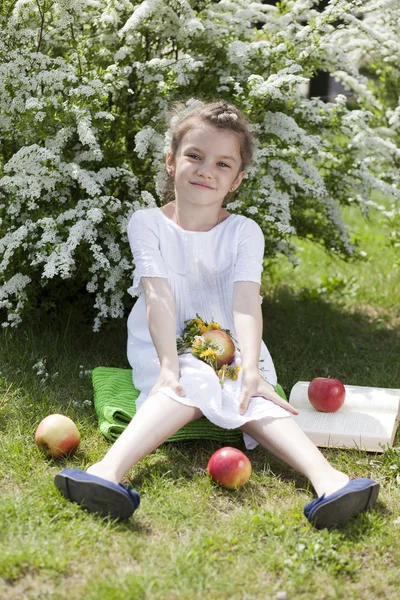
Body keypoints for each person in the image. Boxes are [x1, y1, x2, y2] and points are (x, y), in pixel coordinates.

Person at [54, 100, 380, 528]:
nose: (207, 169)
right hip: (166, 340)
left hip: (234, 338)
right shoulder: (147, 223)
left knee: (251, 390)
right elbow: (158, 297)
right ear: (172, 162)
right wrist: (168, 367)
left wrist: (250, 368)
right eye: (195, 156)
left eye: (223, 163)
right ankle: (105, 473)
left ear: (237, 179)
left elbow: (246, 303)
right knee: (189, 378)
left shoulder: (245, 232)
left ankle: (330, 481)